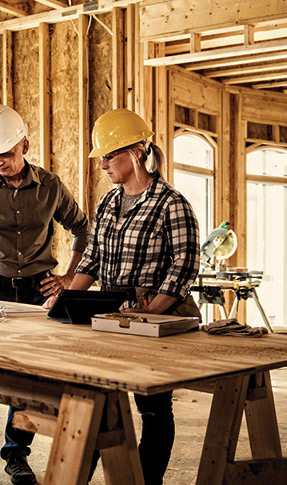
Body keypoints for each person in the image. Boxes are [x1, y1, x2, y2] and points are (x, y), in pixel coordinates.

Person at [0, 104, 91, 485]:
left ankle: (16, 456)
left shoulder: (51, 187)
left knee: (27, 378)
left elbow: (83, 230)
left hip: (38, 291)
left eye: (7, 153)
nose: (0, 162)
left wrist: (69, 278)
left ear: (25, 145)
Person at [64, 108, 201, 485]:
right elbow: (91, 260)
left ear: (136, 153)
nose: (103, 164)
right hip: (109, 319)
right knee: (95, 403)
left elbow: (184, 266)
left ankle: (146, 481)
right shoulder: (108, 203)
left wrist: (150, 314)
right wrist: (65, 302)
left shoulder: (172, 204)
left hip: (152, 321)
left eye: (109, 156)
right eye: (102, 157)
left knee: (153, 408)